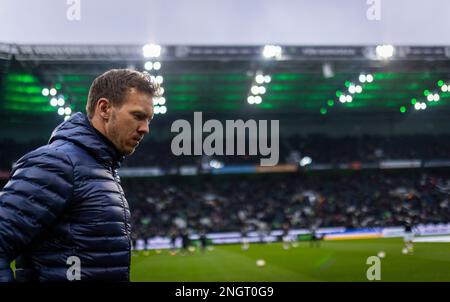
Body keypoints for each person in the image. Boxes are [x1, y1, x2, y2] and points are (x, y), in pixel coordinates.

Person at [0, 69, 157, 281]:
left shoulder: (101, 168)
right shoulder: (57, 163)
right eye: (138, 116)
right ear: (104, 108)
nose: (145, 128)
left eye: (149, 119)